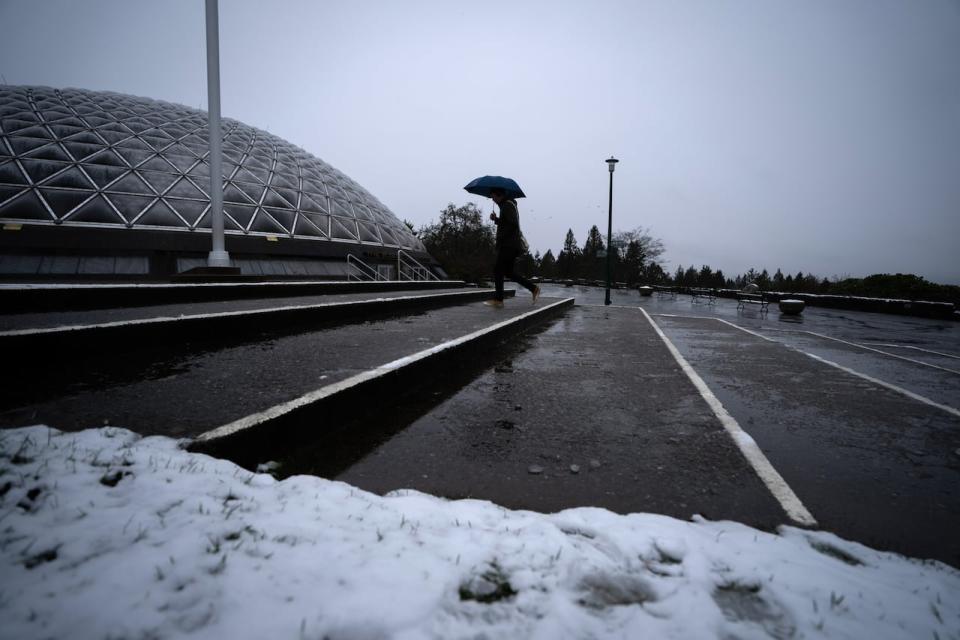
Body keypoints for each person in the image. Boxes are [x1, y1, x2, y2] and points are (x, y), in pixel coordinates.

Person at [485, 188, 540, 307]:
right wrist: (496, 220)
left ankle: (499, 300)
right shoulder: (506, 205)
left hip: (508, 244)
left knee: (498, 270)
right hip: (511, 244)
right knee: (508, 272)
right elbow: (507, 223)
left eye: (493, 196)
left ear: (499, 194)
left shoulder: (507, 205)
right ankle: (533, 288)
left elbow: (513, 224)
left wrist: (502, 237)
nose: (492, 199)